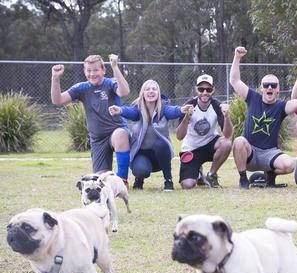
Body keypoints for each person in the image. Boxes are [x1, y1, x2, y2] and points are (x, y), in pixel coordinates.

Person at [229, 46, 297, 189]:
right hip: (250, 152)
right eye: (266, 85)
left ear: (278, 89)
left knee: (289, 165)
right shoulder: (252, 97)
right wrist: (237, 58)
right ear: (261, 88)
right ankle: (243, 179)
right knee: (239, 141)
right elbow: (234, 81)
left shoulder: (281, 106)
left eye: (273, 85)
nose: (270, 88)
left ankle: (270, 176)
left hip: (270, 153)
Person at [51, 54, 131, 186]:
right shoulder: (81, 88)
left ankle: (122, 181)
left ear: (103, 71)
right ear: (84, 72)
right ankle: (107, 177)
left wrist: (115, 67)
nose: (92, 74)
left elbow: (124, 92)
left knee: (120, 134)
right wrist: (55, 78)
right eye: (88, 70)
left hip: (116, 134)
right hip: (98, 141)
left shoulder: (111, 83)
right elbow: (57, 100)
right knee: (101, 181)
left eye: (95, 70)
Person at [108, 79, 193, 191]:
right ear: (143, 93)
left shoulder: (163, 107)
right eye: (147, 89)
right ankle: (139, 178)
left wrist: (182, 109)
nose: (151, 91)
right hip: (141, 153)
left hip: (160, 156)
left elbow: (173, 111)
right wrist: (119, 110)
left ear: (158, 93)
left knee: (161, 144)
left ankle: (168, 181)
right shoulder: (137, 109)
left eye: (154, 89)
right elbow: (128, 111)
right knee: (140, 170)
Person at [175, 74, 233, 189]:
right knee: (187, 185)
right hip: (191, 148)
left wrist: (227, 117)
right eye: (201, 89)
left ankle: (211, 175)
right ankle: (198, 174)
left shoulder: (217, 106)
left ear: (213, 90)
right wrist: (187, 118)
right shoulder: (189, 105)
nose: (205, 93)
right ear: (196, 89)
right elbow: (179, 136)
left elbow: (228, 135)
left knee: (226, 143)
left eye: (208, 89)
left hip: (210, 144)